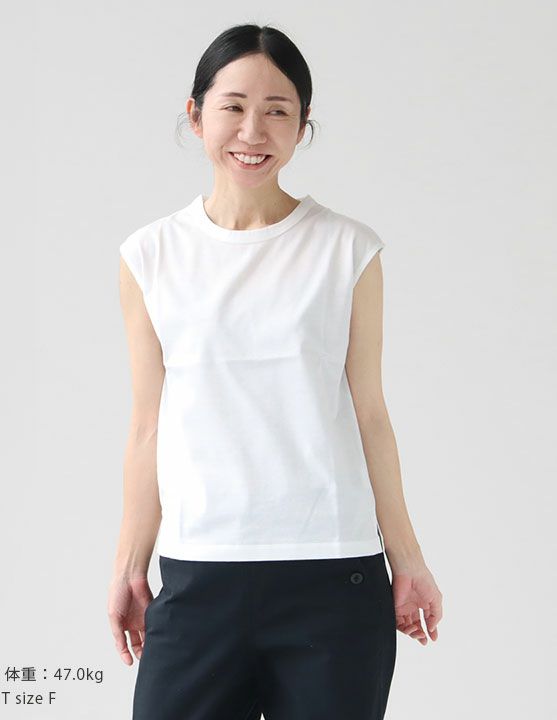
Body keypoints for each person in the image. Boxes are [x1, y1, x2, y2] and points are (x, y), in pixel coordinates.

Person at [109, 23, 443, 720]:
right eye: (232, 107)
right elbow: (148, 426)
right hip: (199, 574)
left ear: (303, 123)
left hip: (333, 575)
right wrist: (129, 565)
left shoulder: (348, 250)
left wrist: (407, 560)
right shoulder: (151, 255)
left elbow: (370, 413)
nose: (252, 131)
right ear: (196, 114)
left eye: (277, 111)